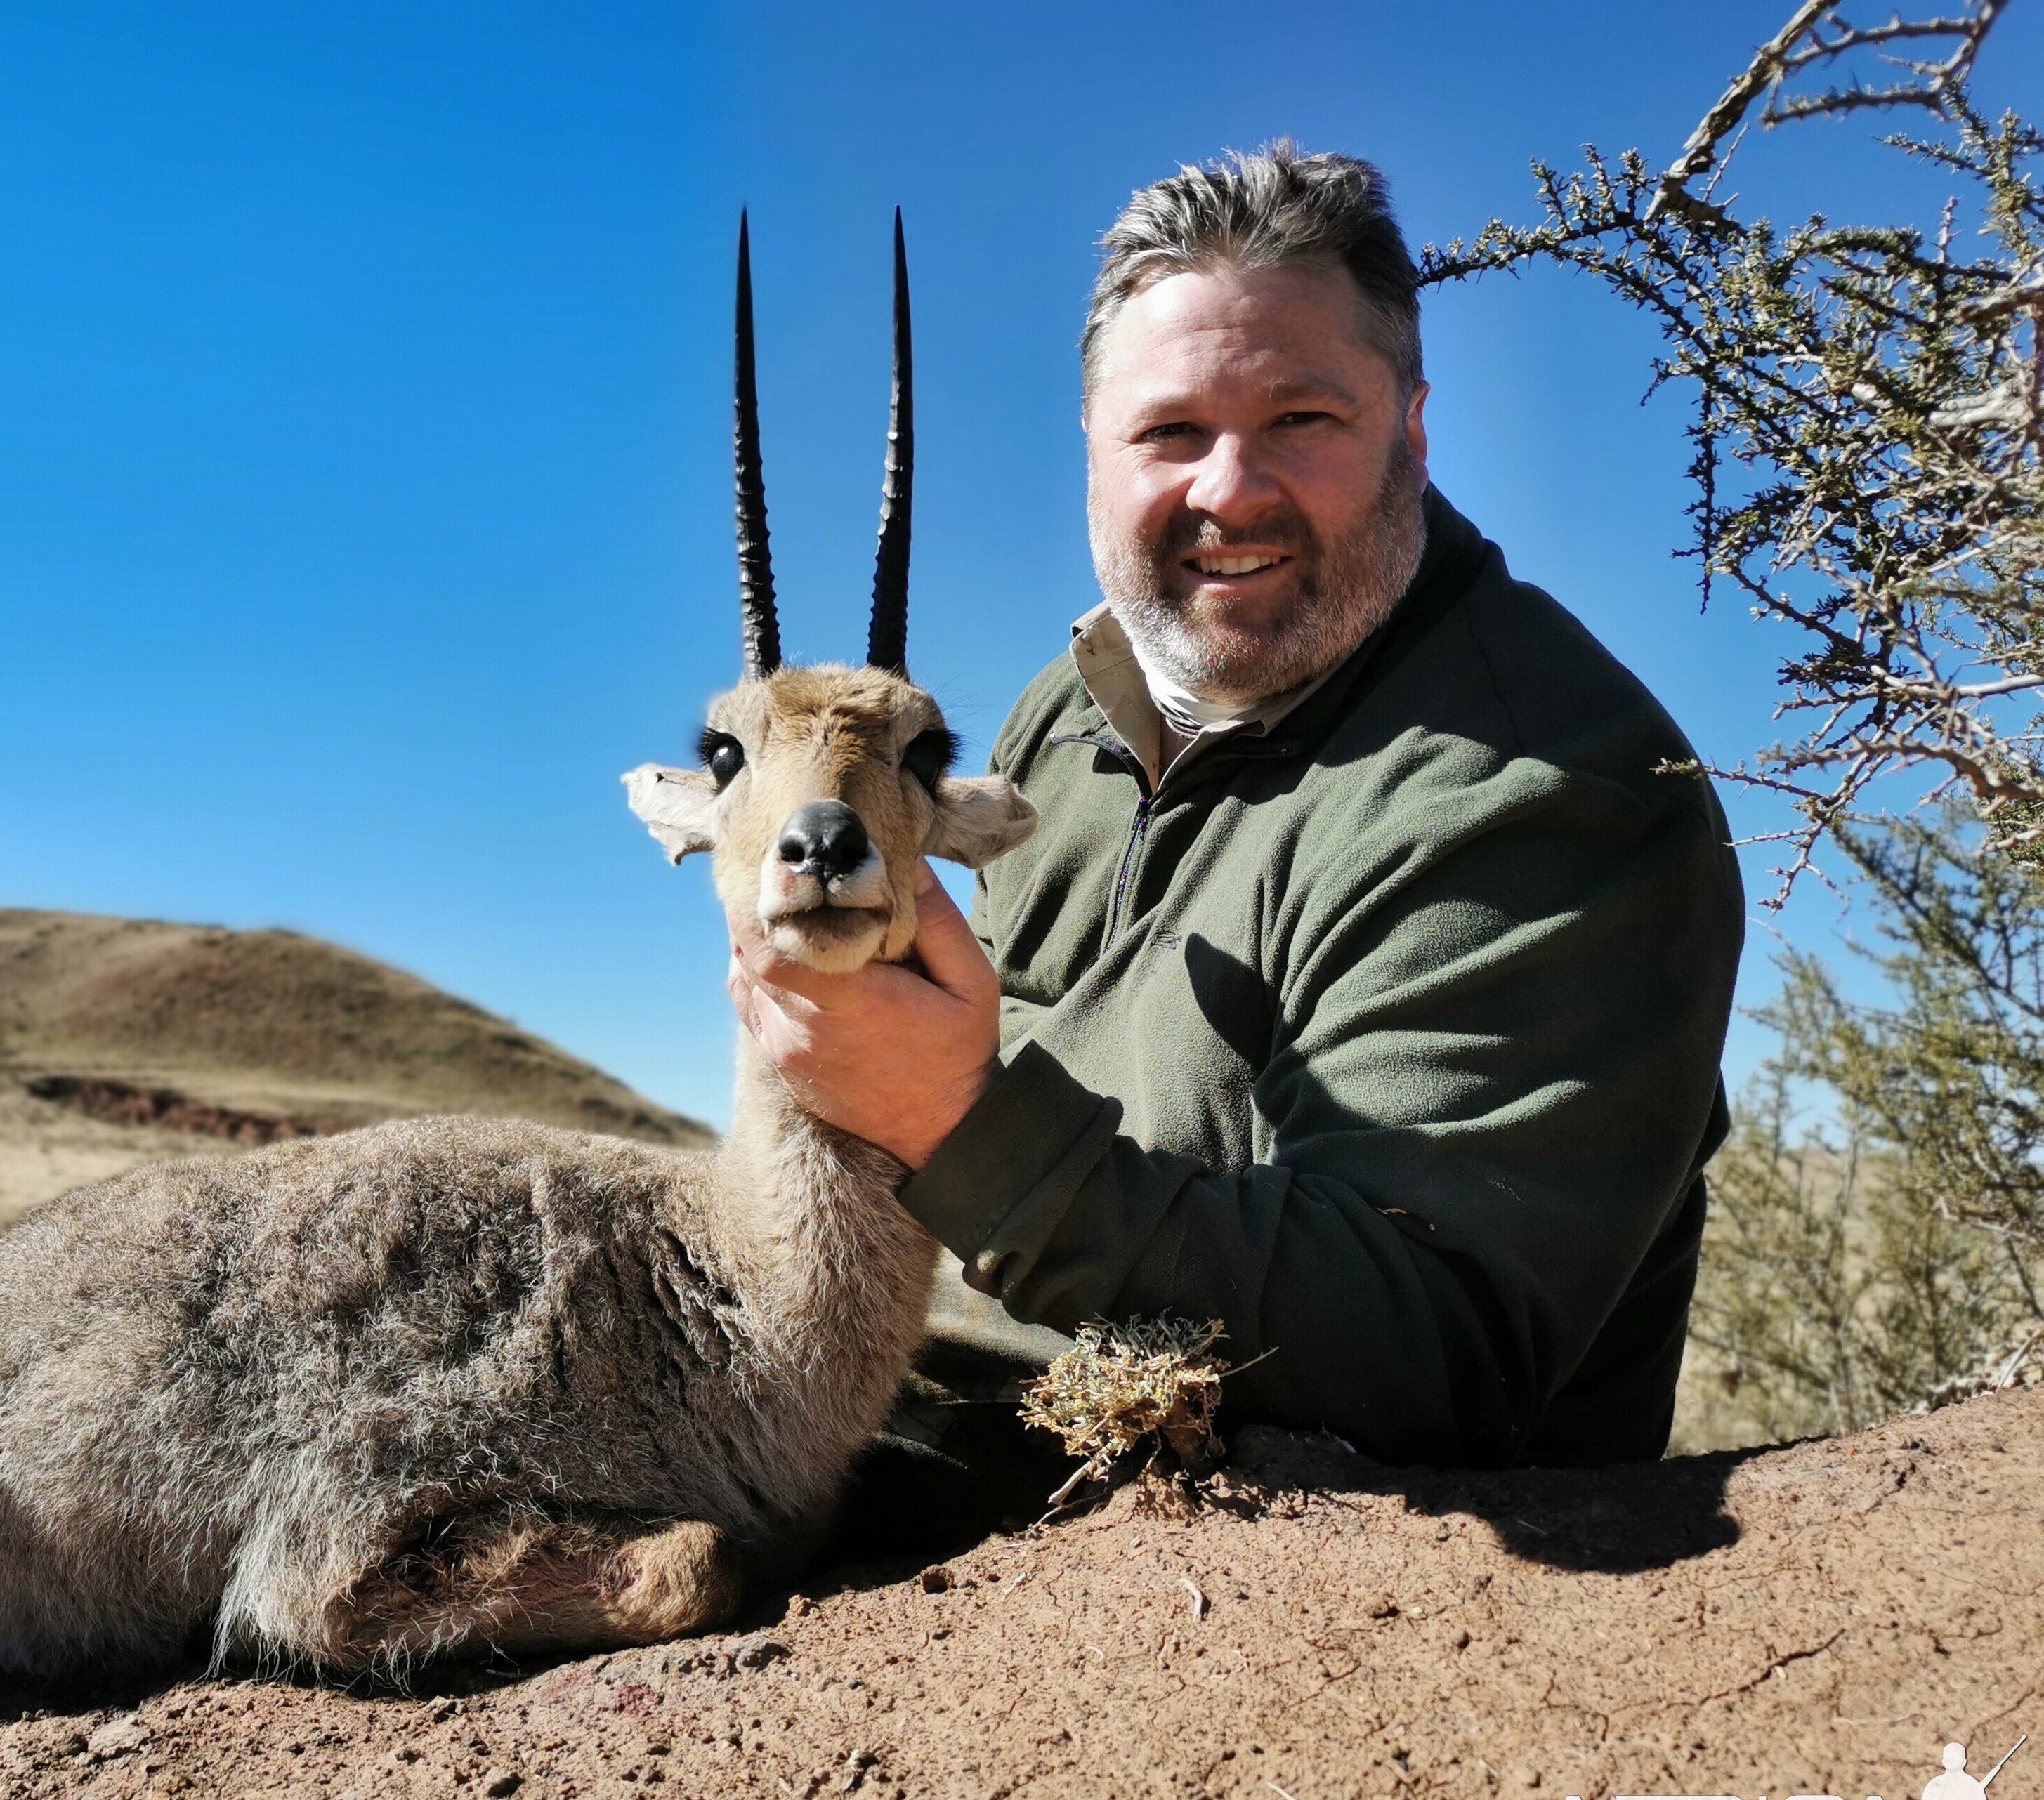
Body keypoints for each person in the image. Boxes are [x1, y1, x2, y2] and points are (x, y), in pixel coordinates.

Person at [729, 143, 1743, 1471]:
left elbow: (1437, 1348)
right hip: (950, 1409)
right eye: (1168, 432)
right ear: (1092, 453)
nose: (1228, 491)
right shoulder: (1061, 713)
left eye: (1300, 421)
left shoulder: (1543, 791)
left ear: (1414, 427)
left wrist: (954, 1128)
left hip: (1278, 1535)